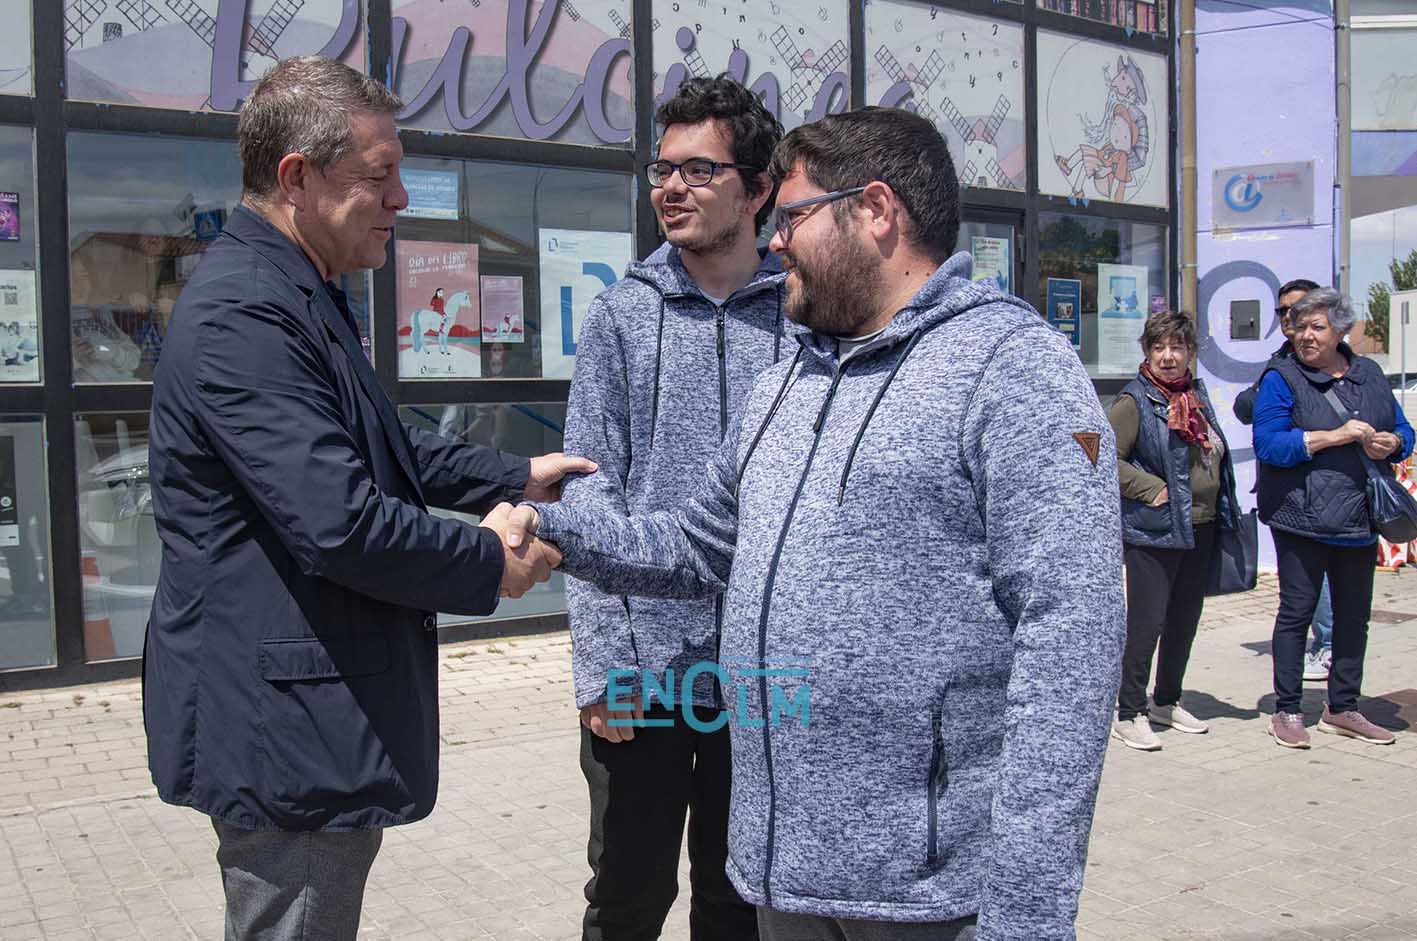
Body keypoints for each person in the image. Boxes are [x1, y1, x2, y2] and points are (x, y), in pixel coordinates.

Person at [507, 107, 1125, 938]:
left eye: (793, 215)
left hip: (928, 894)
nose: (775, 240)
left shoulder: (1011, 367)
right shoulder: (788, 382)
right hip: (785, 878)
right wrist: (553, 531)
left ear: (874, 210)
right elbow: (694, 546)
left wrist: (1027, 913)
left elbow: (1070, 645)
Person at [143, 56, 587, 939]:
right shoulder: (248, 311)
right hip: (282, 727)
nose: (399, 199)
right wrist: (488, 559)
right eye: (379, 176)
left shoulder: (297, 287)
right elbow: (338, 519)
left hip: (299, 710)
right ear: (296, 178)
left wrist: (511, 476)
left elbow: (375, 442)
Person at [562, 75, 785, 941]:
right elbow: (586, 492)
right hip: (645, 667)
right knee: (627, 892)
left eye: (699, 169)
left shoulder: (804, 316)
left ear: (757, 190)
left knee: (740, 898)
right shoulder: (620, 316)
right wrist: (601, 665)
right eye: (662, 169)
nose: (671, 188)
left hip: (766, 669)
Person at [1253, 287, 1412, 749]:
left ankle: (1343, 707)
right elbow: (1268, 444)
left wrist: (1394, 443)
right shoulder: (1282, 378)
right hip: (1300, 516)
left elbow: (1403, 428)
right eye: (1299, 326)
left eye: (1316, 327)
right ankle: (1287, 710)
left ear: (1341, 330)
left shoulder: (1369, 374)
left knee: (1353, 617)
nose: (1305, 335)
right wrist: (1332, 435)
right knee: (1296, 613)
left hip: (1358, 517)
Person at [1108, 310, 1241, 751]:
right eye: (1159, 347)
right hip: (1155, 529)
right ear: (1147, 352)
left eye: (1177, 347)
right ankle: (1129, 712)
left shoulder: (1193, 396)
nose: (1168, 356)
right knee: (1147, 623)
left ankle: (1166, 700)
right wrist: (1152, 489)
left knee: (1184, 620)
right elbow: (1099, 456)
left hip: (1200, 525)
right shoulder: (1134, 401)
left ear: (1191, 353)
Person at [1234, 278, 1333, 681]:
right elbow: (1244, 407)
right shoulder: (1280, 361)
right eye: (1282, 311)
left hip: (1323, 488)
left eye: (1297, 308)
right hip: (1285, 490)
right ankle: (1316, 652)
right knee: (1299, 584)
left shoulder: (1332, 365)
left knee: (1321, 574)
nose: (1289, 317)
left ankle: (1328, 644)